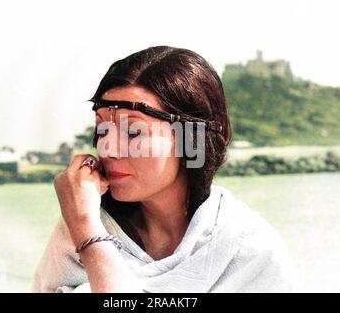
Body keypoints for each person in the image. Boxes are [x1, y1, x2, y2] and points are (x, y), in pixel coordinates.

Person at [31, 46, 297, 293]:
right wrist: (85, 227)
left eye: (134, 132)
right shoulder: (78, 229)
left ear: (191, 139)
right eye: (102, 130)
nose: (108, 148)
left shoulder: (249, 250)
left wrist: (88, 234)